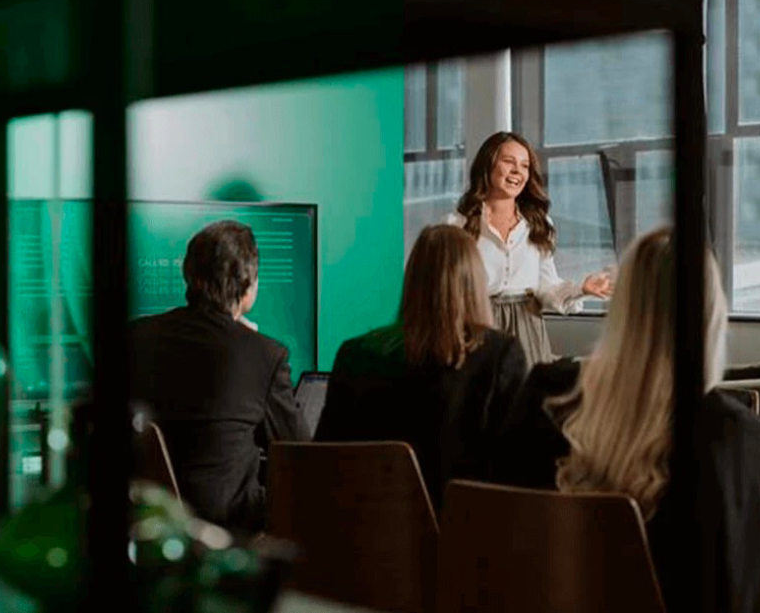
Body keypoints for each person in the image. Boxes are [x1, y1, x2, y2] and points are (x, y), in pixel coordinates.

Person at [494, 229, 760, 612]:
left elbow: (496, 539)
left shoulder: (547, 396)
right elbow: (739, 596)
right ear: (711, 308)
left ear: (622, 305)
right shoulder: (726, 431)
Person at [314, 224, 527, 509]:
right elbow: (517, 475)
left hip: (363, 543)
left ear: (412, 279)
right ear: (475, 281)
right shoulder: (498, 355)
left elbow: (323, 464)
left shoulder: (355, 354)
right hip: (460, 541)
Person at [128, 220, 312, 533]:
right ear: (248, 284)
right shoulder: (265, 355)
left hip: (146, 523)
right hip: (226, 532)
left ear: (189, 274)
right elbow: (302, 454)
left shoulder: (136, 336)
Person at [448, 131, 611, 367]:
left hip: (527, 328)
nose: (518, 171)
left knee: (524, 399)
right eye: (509, 162)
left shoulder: (539, 225)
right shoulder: (456, 225)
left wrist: (581, 289)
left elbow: (546, 287)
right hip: (477, 328)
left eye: (524, 166)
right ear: (488, 165)